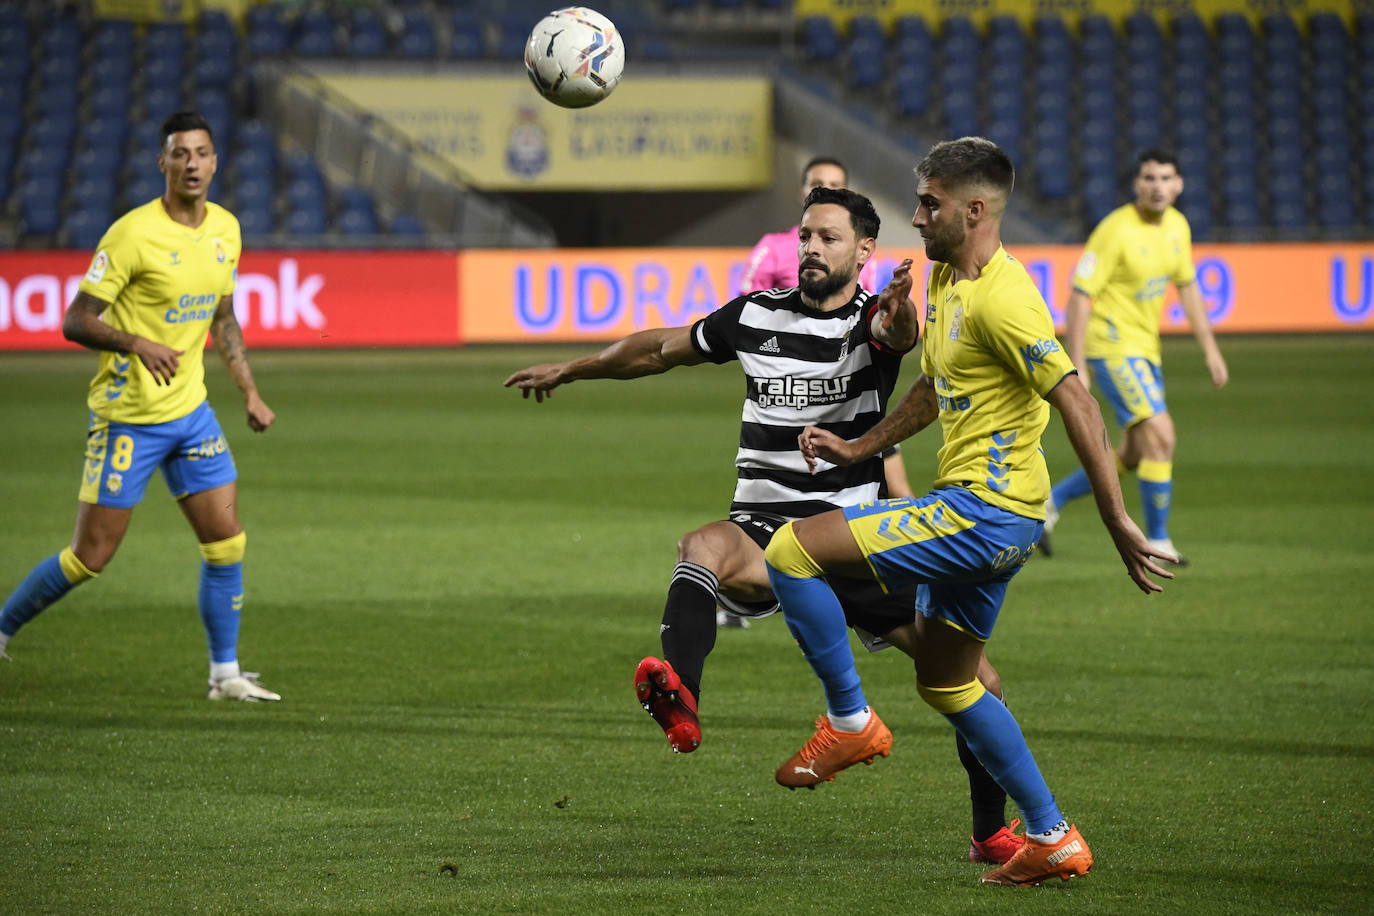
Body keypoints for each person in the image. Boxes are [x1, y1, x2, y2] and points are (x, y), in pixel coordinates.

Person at [506, 186, 1026, 865]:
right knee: (699, 546)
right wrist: (573, 369)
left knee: (978, 683)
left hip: (855, 540)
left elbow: (897, 334)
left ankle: (990, 834)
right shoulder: (753, 316)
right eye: (806, 235)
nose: (811, 247)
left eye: (829, 238)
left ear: (865, 251)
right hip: (763, 530)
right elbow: (660, 349)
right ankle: (681, 698)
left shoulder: (872, 322)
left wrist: (900, 316)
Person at [765, 137, 1177, 885]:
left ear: (975, 209)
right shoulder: (950, 280)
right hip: (996, 521)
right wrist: (862, 449)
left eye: (930, 204)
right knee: (950, 682)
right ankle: (1051, 835)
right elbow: (932, 390)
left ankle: (851, 723)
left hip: (982, 512)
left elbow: (1077, 398)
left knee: (792, 551)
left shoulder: (1006, 298)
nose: (916, 216)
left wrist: (1117, 519)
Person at [0, 111, 280, 702]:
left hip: (192, 414)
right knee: (90, 557)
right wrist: (135, 341)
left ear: (215, 161)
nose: (193, 164)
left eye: (202, 153)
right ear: (164, 164)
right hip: (129, 416)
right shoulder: (131, 234)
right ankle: (1, 630)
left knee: (226, 542)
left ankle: (224, 675)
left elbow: (224, 319)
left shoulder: (227, 229)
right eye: (180, 154)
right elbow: (75, 320)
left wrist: (249, 391)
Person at [1041, 149, 1229, 564]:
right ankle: (1158, 541)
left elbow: (1189, 287)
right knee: (1162, 435)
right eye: (1149, 178)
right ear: (1136, 185)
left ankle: (1048, 505)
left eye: (1165, 178)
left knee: (1134, 454)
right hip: (1111, 348)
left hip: (1145, 351)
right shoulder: (1114, 231)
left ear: (1179, 184)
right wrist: (1077, 364)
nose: (1157, 186)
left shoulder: (1178, 226)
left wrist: (1211, 349)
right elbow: (1079, 297)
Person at [740, 156, 913, 506]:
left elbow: (864, 310)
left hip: (843, 379)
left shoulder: (852, 251)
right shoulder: (773, 247)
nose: (825, 191)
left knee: (893, 483)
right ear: (803, 190)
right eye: (818, 184)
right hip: (793, 382)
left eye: (835, 185)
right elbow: (750, 305)